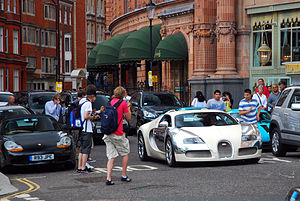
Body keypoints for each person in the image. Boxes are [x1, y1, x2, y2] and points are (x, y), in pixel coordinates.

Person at [103, 86, 132, 185]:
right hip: (118, 132)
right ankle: (124, 175)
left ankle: (108, 178)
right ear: (123, 94)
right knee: (125, 152)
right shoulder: (123, 103)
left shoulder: (109, 102)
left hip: (108, 133)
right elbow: (128, 117)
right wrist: (128, 107)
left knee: (111, 156)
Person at [77, 88, 100, 174]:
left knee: (81, 149)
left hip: (82, 129)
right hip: (87, 129)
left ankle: (79, 167)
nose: (95, 99)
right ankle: (83, 168)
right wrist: (94, 117)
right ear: (93, 96)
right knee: (86, 150)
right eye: (95, 97)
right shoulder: (88, 104)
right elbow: (86, 116)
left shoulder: (82, 102)